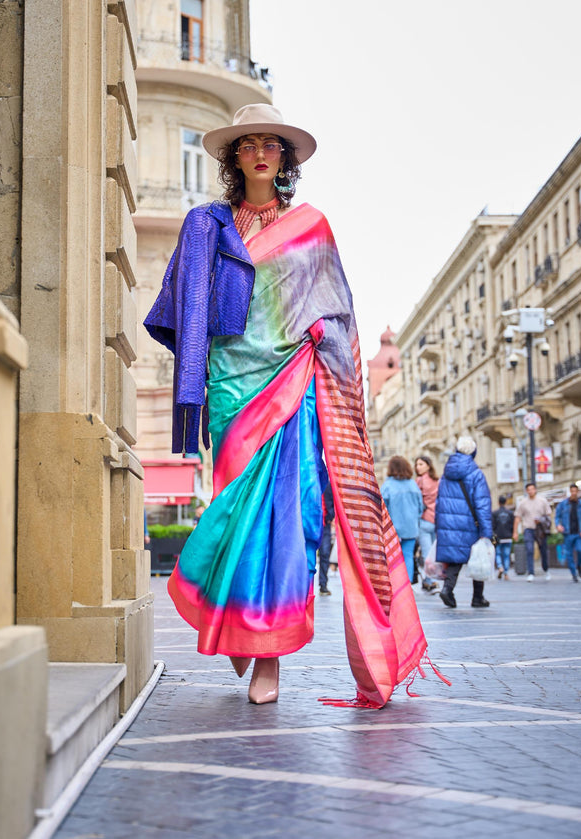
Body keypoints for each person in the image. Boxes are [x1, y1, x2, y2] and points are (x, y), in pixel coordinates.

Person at [144, 104, 428, 708]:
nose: (261, 152)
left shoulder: (311, 226)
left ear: (286, 157)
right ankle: (241, 626)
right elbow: (183, 309)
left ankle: (268, 655)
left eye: (272, 144)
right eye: (248, 144)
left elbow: (336, 306)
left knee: (287, 523)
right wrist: (193, 382)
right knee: (230, 517)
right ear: (234, 157)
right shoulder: (208, 226)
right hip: (231, 389)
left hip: (294, 382)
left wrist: (321, 331)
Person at [435, 436, 493, 608]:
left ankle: (447, 589)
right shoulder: (476, 474)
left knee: (454, 560)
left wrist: (439, 525)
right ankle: (477, 597)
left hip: (449, 523)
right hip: (470, 524)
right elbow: (482, 504)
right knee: (478, 557)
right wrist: (486, 532)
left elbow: (439, 502)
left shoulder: (446, 474)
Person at [381, 457, 424, 583]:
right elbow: (420, 507)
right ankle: (407, 585)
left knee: (391, 557)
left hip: (392, 528)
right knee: (408, 556)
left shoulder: (387, 486)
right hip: (410, 527)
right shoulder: (413, 485)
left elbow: (382, 507)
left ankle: (394, 583)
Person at [513, 482, 552, 581]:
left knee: (543, 550)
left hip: (540, 529)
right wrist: (515, 532)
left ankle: (546, 569)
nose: (531, 491)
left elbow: (548, 515)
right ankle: (531, 572)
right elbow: (518, 517)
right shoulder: (523, 502)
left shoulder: (542, 501)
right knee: (529, 550)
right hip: (528, 528)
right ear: (526, 491)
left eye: (532, 489)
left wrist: (542, 520)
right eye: (528, 489)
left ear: (535, 490)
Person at [414, 455, 439, 592]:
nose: (418, 467)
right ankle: (433, 579)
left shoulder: (419, 481)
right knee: (434, 554)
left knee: (426, 553)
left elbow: (417, 503)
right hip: (436, 521)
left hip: (424, 521)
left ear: (428, 465)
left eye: (421, 464)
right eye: (417, 464)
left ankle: (430, 580)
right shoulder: (438, 481)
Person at [554, 483, 581, 582]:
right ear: (569, 492)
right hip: (567, 533)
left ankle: (579, 566)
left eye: (575, 491)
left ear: (577, 492)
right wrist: (558, 525)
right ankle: (574, 574)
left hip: (578, 533)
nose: (573, 493)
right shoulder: (563, 504)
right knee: (569, 555)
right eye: (572, 491)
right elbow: (557, 516)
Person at [317, 483, 335, 595]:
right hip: (312, 522)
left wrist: (330, 516)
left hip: (325, 524)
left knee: (325, 554)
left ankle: (323, 585)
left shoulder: (328, 484)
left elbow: (333, 502)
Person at [492, 496, 514, 579]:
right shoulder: (510, 513)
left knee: (498, 554)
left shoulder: (494, 513)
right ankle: (506, 572)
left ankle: (500, 567)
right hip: (508, 537)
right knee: (506, 555)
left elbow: (492, 526)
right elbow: (512, 525)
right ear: (506, 502)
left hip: (498, 537)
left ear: (498, 502)